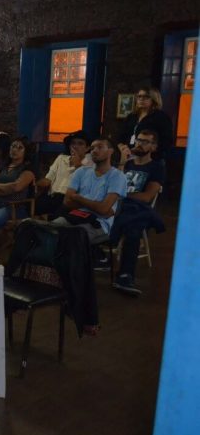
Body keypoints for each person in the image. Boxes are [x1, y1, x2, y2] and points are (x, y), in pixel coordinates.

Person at [111, 129, 165, 295]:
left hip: (136, 208)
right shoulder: (126, 164)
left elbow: (147, 197)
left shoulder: (156, 167)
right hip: (116, 205)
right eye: (138, 140)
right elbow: (111, 185)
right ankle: (100, 257)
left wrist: (121, 194)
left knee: (134, 228)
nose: (140, 144)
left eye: (145, 142)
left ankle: (125, 275)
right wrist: (121, 163)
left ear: (153, 147)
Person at [52, 138, 127, 244]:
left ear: (111, 151)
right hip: (75, 216)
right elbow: (67, 202)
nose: (94, 151)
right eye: (92, 148)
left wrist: (78, 198)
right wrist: (96, 205)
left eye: (100, 147)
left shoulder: (117, 176)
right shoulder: (81, 172)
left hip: (99, 223)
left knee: (73, 237)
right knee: (49, 230)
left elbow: (103, 209)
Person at [0, 136, 36, 256]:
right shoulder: (2, 165)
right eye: (13, 146)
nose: (15, 150)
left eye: (20, 148)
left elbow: (16, 187)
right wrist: (5, 189)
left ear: (26, 152)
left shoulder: (28, 169)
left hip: (13, 208)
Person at [35, 130, 92, 217]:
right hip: (52, 196)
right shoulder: (61, 158)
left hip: (68, 200)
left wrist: (78, 166)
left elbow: (84, 188)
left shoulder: (89, 165)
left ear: (87, 148)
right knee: (34, 207)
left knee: (56, 211)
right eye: (73, 143)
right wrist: (37, 183)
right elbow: (48, 178)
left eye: (80, 144)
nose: (75, 146)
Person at [117, 87, 173, 161]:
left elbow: (166, 141)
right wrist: (122, 147)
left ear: (154, 100)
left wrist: (146, 149)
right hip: (129, 156)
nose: (141, 99)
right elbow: (121, 136)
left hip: (152, 159)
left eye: (146, 97)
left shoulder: (161, 117)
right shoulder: (132, 116)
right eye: (139, 96)